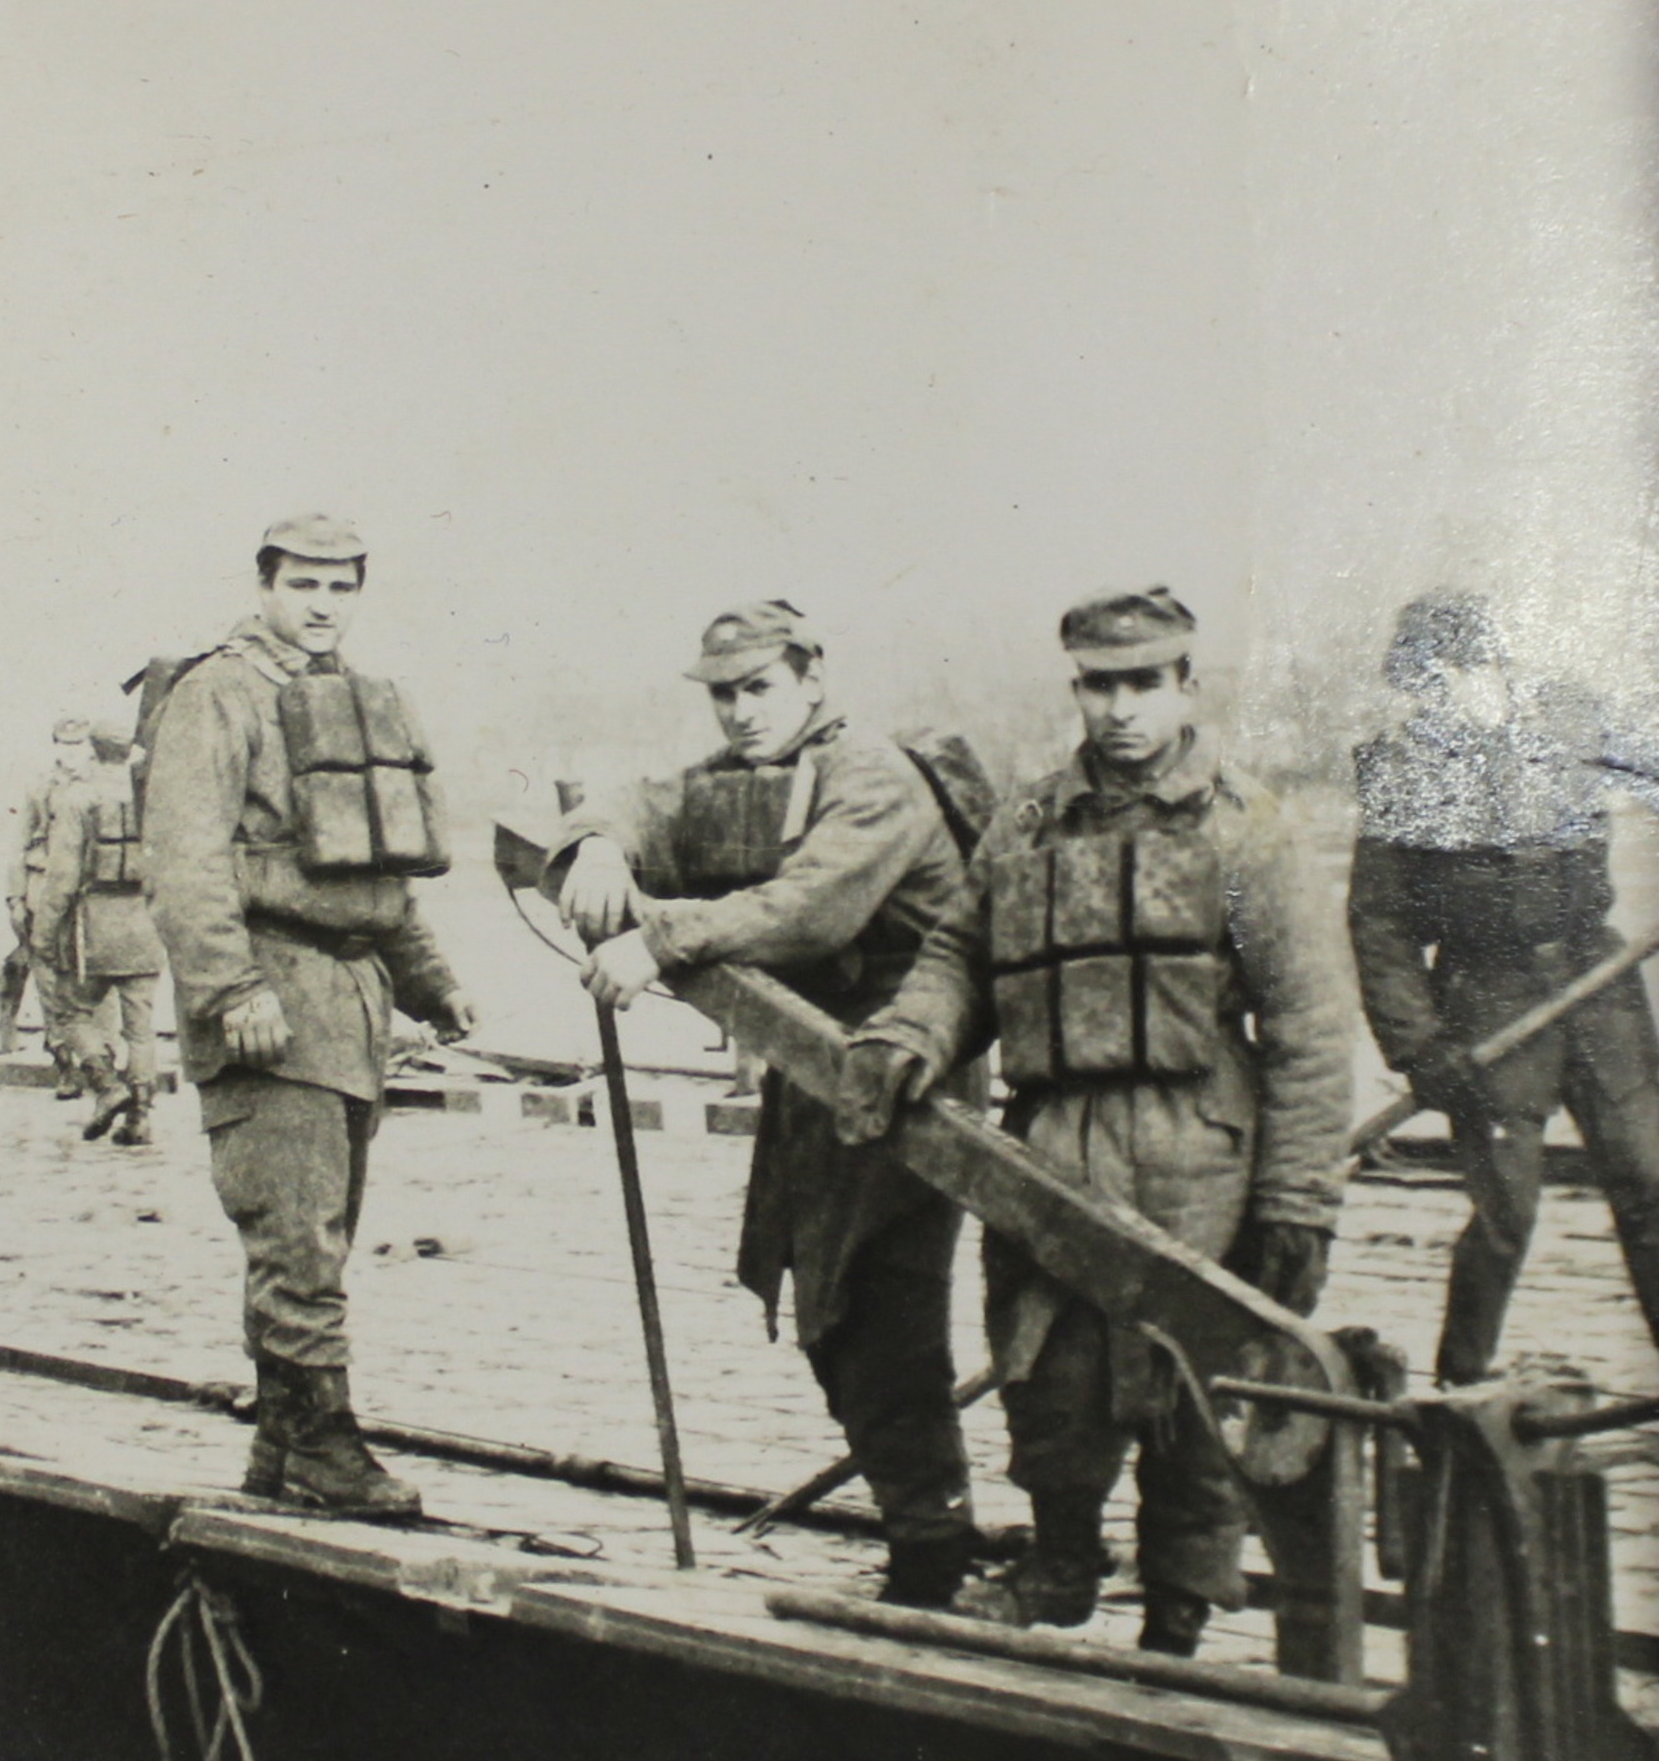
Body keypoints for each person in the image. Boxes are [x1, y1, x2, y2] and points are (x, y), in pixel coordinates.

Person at [845, 588, 1350, 1657]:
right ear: (1076, 687)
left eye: (1144, 683)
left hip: (1200, 1150)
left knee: (1196, 1397)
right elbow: (957, 957)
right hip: (1054, 1149)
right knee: (1048, 1372)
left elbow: (1309, 1024)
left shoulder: (1246, 826)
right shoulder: (1029, 823)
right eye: (1099, 684)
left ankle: (1178, 1611)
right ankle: (1061, 1565)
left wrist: (1299, 1200)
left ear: (1186, 686)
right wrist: (908, 1036)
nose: (1121, 709)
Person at [541, 600, 989, 1607]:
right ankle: (920, 1524)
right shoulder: (749, 775)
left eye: (761, 687)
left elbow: (810, 909)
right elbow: (645, 801)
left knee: (886, 1304)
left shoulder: (871, 774)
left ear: (811, 678)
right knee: (824, 1304)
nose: (742, 710)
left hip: (908, 1058)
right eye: (725, 694)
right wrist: (602, 844)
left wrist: (658, 938)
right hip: (811, 1062)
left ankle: (932, 1547)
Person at [142, 513, 477, 1517]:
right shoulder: (217, 692)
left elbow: (377, 866)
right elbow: (184, 862)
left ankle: (281, 1453)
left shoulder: (351, 698)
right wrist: (231, 989)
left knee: (319, 1235)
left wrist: (431, 980)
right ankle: (326, 1451)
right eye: (302, 585)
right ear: (265, 587)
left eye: (341, 587)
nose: (323, 605)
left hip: (351, 1005)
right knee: (296, 1242)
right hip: (270, 1000)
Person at [1348, 589, 1659, 1385]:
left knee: (1651, 1184)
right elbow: (1380, 925)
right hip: (1489, 1000)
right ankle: (1458, 1388)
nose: (1433, 701)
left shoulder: (1574, 720)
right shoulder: (1403, 771)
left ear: (1486, 664)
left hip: (1599, 987)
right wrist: (1420, 1049)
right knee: (1505, 1215)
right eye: (1420, 686)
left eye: (1448, 677)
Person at [13, 720, 166, 1145]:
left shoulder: (79, 798)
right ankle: (140, 1119)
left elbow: (62, 878)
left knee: (70, 1011)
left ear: (94, 751)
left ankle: (106, 1085)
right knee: (141, 1029)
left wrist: (43, 934)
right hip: (146, 926)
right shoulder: (152, 797)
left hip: (95, 927)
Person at [8, 719, 97, 1098]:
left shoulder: (102, 785)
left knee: (90, 978)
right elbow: (18, 844)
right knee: (47, 978)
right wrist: (15, 898)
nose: (70, 752)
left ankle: (100, 1063)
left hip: (86, 892)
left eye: (77, 744)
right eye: (63, 744)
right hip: (42, 886)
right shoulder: (40, 786)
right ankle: (64, 1063)